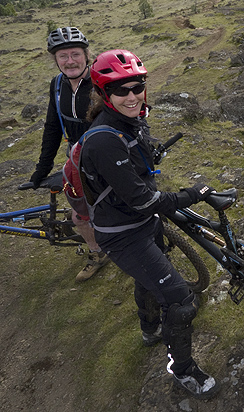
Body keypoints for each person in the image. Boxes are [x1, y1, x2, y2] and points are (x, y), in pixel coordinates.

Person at [80, 49, 220, 399]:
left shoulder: (131, 120)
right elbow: (143, 199)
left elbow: (137, 169)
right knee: (181, 301)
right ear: (103, 94)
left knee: (150, 278)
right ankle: (183, 370)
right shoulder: (102, 140)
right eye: (120, 90)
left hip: (142, 223)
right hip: (124, 234)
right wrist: (194, 194)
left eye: (137, 86)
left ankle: (149, 329)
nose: (131, 95)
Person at [30, 26, 110, 281]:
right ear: (55, 60)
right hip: (77, 158)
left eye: (75, 54)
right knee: (80, 215)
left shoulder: (101, 80)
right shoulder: (57, 85)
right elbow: (53, 128)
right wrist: (41, 171)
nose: (69, 61)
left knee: (119, 206)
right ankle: (98, 252)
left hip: (108, 153)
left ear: (86, 55)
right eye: (62, 56)